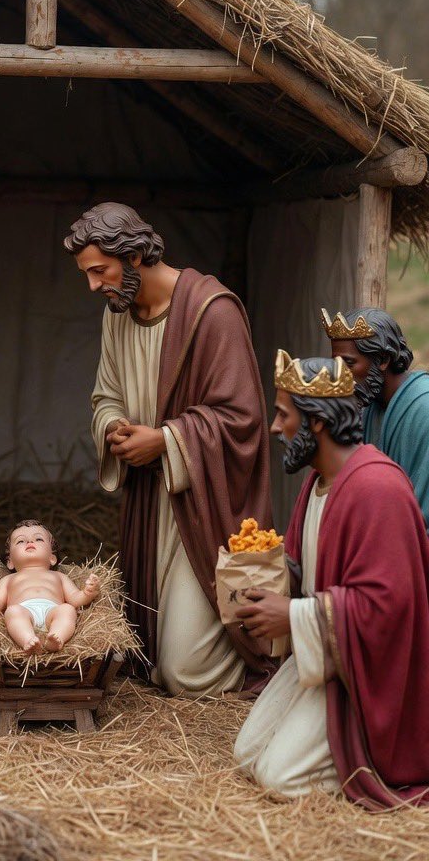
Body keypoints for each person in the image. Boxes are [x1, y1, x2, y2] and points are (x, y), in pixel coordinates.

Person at [64, 203, 272, 695]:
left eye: (100, 271)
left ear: (134, 255)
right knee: (145, 653)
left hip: (202, 504)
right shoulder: (117, 315)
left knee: (184, 672)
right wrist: (115, 427)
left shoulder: (211, 311)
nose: (93, 285)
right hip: (149, 502)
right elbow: (105, 394)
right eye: (87, 274)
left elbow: (243, 418)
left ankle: (251, 657)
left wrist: (166, 439)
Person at [234, 350, 429, 808]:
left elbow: (389, 607)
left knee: (280, 779)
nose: (275, 428)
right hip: (328, 652)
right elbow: (311, 573)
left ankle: (370, 758)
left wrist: (294, 614)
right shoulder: (318, 482)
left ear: (316, 421)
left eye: (283, 415)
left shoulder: (376, 489)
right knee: (247, 756)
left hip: (368, 675)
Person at [323, 306, 429, 527]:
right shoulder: (369, 405)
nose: (339, 376)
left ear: (383, 359)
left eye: (349, 364)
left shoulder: (424, 409)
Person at [0, 521, 100, 652]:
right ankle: (28, 640)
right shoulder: (8, 579)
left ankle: (57, 637)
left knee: (67, 609)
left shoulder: (58, 576)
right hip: (24, 611)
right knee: (12, 611)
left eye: (38, 539)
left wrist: (87, 593)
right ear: (10, 561)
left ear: (52, 558)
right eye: (20, 541)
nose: (30, 541)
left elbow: (75, 599)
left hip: (52, 612)